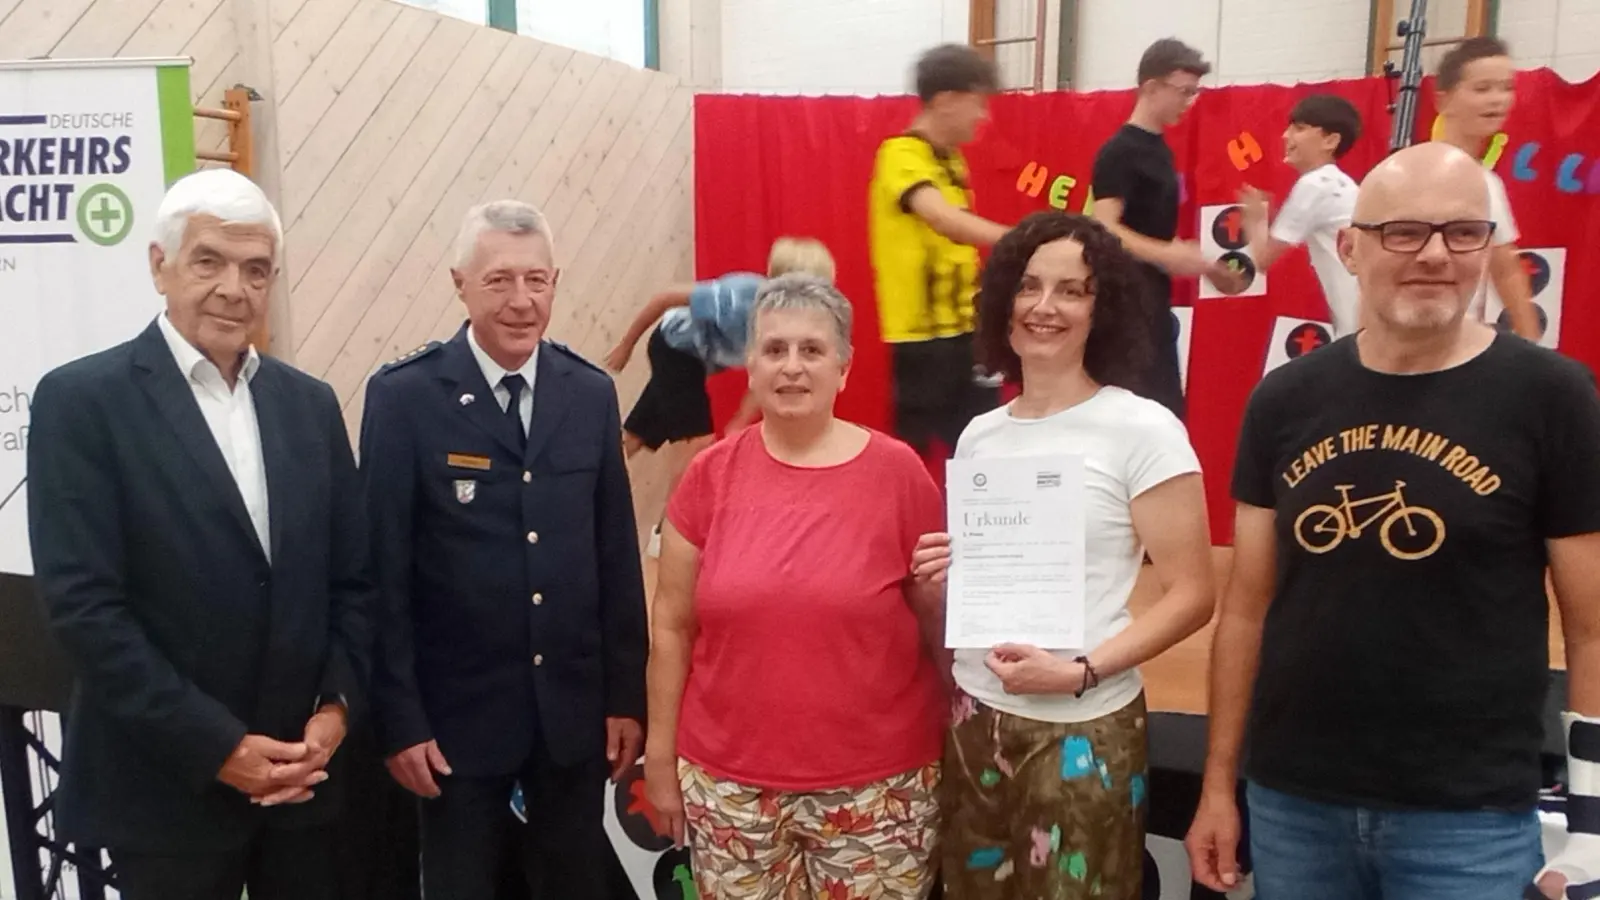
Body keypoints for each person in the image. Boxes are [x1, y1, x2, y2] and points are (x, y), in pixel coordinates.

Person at [1184, 142, 1600, 900]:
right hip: (1293, 803)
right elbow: (1244, 611)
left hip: (1467, 817)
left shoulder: (1553, 396)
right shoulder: (1284, 400)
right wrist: (1218, 786)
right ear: (1349, 247)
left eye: (1463, 232)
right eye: (1403, 232)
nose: (1435, 255)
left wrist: (1596, 821)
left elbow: (1593, 628)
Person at [25, 168, 373, 900]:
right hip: (164, 788)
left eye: (255, 270)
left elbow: (354, 579)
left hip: (303, 787)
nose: (232, 287)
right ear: (160, 266)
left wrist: (338, 711)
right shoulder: (82, 402)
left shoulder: (309, 406)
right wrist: (219, 747)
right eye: (208, 260)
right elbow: (86, 608)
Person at [911, 212, 1216, 900]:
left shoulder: (1142, 429)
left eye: (1072, 291)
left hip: (1084, 727)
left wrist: (1082, 670)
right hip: (976, 718)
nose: (1045, 307)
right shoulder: (982, 436)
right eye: (1029, 287)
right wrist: (948, 571)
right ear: (1002, 303)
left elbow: (1195, 594)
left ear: (1100, 309)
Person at [360, 199, 648, 900]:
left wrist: (624, 696)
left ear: (555, 281)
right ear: (460, 282)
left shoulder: (590, 393)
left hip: (572, 718)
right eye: (499, 281)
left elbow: (614, 557)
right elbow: (381, 575)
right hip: (455, 725)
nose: (522, 301)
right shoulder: (405, 398)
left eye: (537, 280)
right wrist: (399, 719)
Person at [643, 274, 948, 899]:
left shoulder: (900, 476)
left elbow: (936, 627)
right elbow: (671, 627)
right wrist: (661, 758)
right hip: (731, 791)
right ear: (749, 365)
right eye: (774, 349)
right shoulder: (708, 477)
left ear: (843, 366)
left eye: (811, 350)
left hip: (879, 790)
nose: (791, 367)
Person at [603, 236, 837, 554]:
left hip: (694, 365)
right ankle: (667, 535)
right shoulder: (740, 297)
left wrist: (740, 420)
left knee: (636, 436)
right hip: (675, 347)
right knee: (696, 444)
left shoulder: (786, 329)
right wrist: (625, 346)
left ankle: (578, 490)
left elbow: (760, 377)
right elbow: (665, 298)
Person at [869, 43, 1012, 458]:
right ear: (946, 100)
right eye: (978, 103)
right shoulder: (900, 154)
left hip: (966, 334)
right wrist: (1017, 237)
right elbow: (942, 218)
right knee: (910, 458)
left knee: (980, 452)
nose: (984, 116)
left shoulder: (953, 162)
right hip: (922, 342)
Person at [1091, 38, 1244, 419]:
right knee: (1138, 417)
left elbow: (1152, 231)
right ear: (1151, 87)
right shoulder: (1119, 152)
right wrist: (1167, 255)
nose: (1188, 102)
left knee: (1164, 419)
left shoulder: (1161, 152)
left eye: (1195, 93)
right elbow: (1104, 228)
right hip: (1124, 309)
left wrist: (1206, 266)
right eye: (1183, 92)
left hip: (1154, 304)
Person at [1432, 35, 1541, 340]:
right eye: (1482, 89)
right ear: (1443, 100)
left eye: (1507, 88)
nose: (1498, 99)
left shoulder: (1487, 181)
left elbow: (1505, 268)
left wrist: (1532, 348)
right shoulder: (1414, 175)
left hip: (1459, 344)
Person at [1239, 93, 1363, 336]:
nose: (1286, 136)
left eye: (1299, 128)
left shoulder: (1316, 184)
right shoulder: (1337, 183)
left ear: (1330, 140)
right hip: (1364, 323)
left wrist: (1255, 219)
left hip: (1360, 327)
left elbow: (1262, 259)